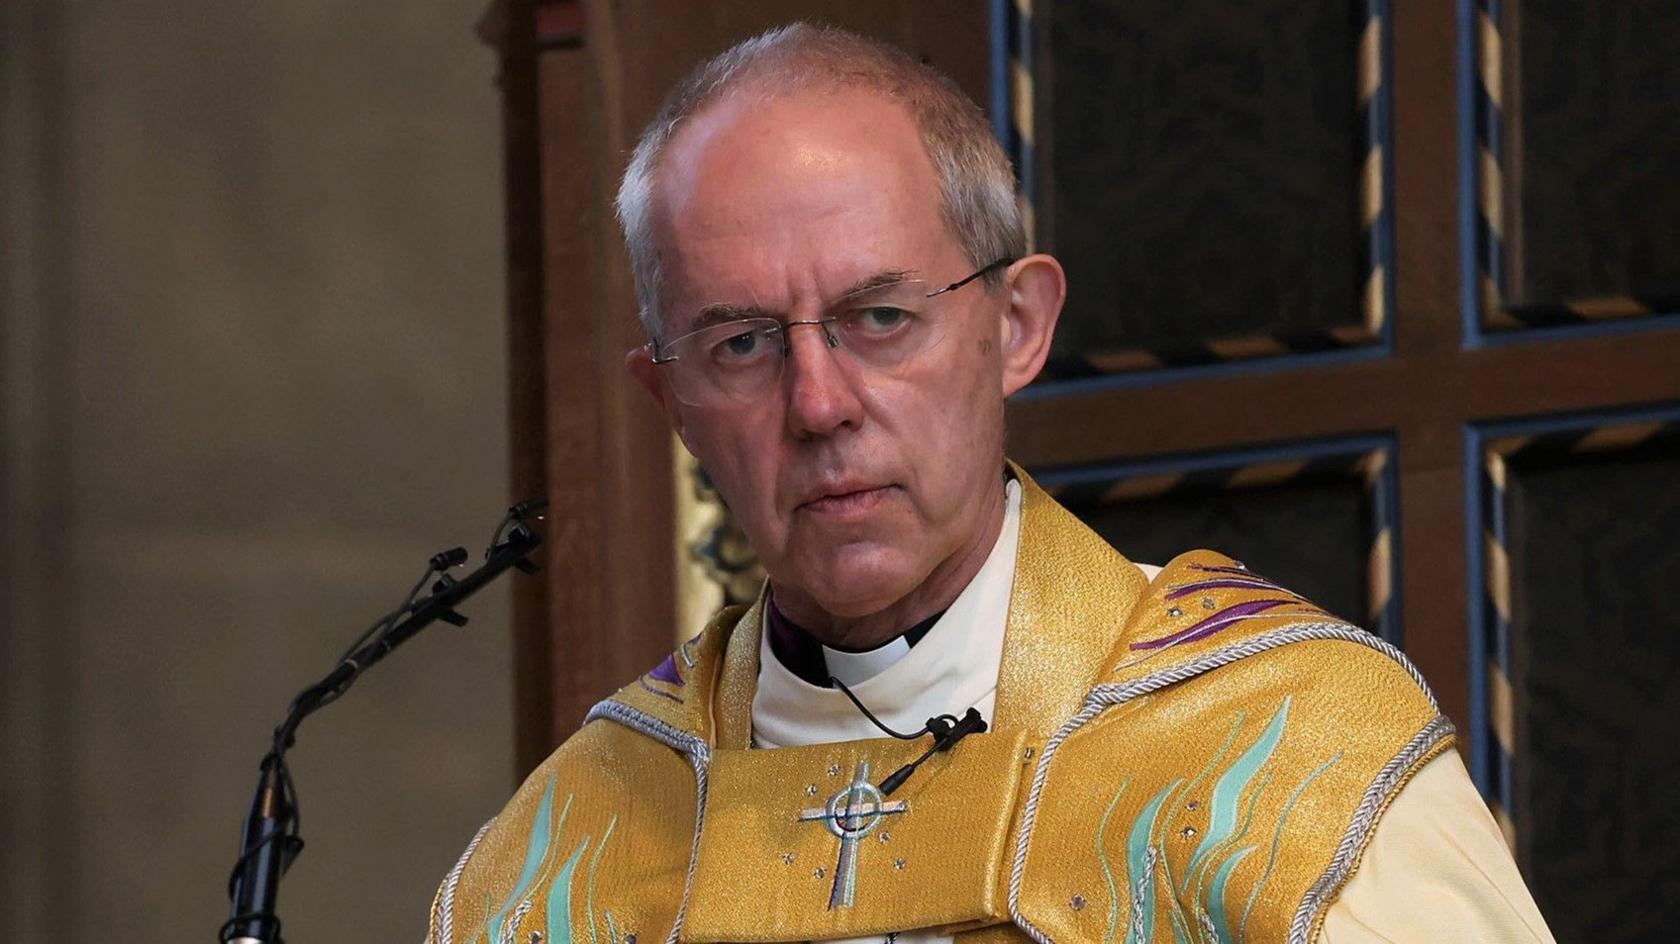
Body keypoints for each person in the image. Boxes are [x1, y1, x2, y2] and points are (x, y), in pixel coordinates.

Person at [426, 24, 1554, 944]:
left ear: (1017, 326)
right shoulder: (566, 855)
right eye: (740, 344)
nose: (819, 403)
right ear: (668, 401)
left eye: (880, 317)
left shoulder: (1283, 756)